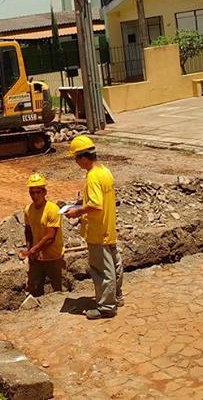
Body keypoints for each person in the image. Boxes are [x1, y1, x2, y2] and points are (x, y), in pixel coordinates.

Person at [63, 135, 124, 319]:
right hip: (109, 226)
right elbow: (102, 199)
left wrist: (77, 212)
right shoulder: (105, 171)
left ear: (83, 157)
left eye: (76, 158)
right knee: (114, 264)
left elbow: (96, 204)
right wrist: (82, 202)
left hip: (98, 230)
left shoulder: (92, 176)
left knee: (101, 269)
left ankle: (106, 306)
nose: (76, 163)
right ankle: (116, 296)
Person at [19, 173, 65, 297]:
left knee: (58, 289)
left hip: (53, 256)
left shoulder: (53, 210)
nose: (35, 196)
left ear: (44, 192)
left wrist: (32, 251)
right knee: (35, 288)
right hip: (37, 257)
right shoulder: (28, 210)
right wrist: (30, 251)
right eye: (32, 193)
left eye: (38, 192)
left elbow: (50, 237)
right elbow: (28, 231)